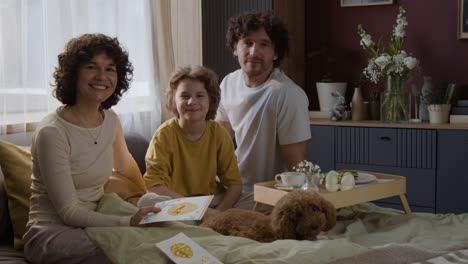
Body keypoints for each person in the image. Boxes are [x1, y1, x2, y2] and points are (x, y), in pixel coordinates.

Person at [23, 33, 161, 264]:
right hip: (54, 232)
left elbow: (125, 166)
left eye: (110, 69)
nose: (102, 76)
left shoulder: (110, 119)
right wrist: (129, 222)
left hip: (100, 215)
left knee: (168, 232)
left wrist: (144, 200)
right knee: (137, 250)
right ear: (73, 73)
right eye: (91, 67)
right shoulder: (52, 132)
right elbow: (69, 213)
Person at [216, 10, 312, 193]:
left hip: (268, 192)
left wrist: (285, 204)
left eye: (264, 44)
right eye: (247, 43)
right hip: (231, 187)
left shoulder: (287, 94)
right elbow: (219, 145)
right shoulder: (229, 83)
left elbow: (297, 165)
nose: (254, 52)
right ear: (235, 48)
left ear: (276, 53)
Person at [141, 66, 243, 217]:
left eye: (200, 95)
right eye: (184, 96)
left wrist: (219, 213)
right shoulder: (164, 135)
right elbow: (154, 186)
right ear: (173, 101)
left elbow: (235, 184)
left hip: (211, 200)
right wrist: (195, 210)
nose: (192, 101)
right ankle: (199, 219)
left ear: (211, 100)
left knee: (253, 198)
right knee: (146, 201)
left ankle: (205, 219)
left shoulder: (218, 133)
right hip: (177, 202)